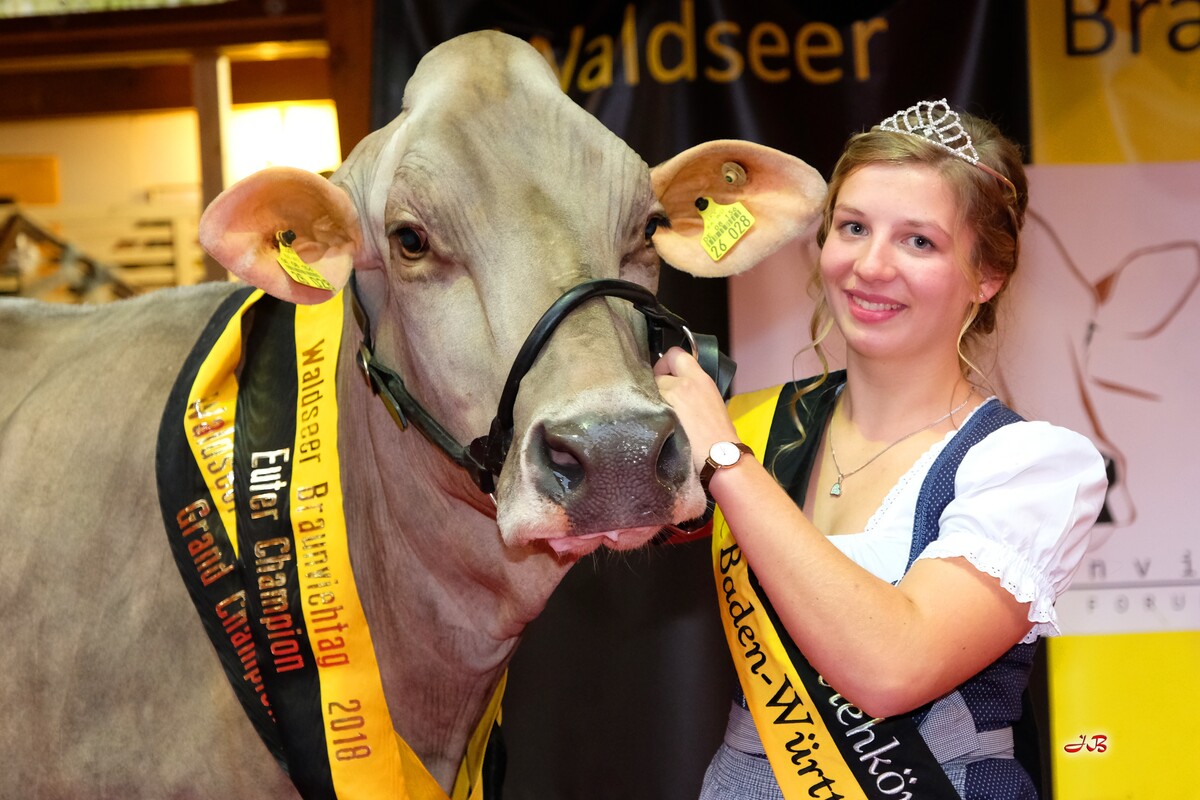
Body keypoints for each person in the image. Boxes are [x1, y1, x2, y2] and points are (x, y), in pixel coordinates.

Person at [653, 99, 1108, 799]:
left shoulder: (1032, 467)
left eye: (918, 241)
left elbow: (893, 669)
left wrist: (724, 461)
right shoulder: (750, 423)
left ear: (986, 276)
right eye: (854, 227)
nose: (870, 265)